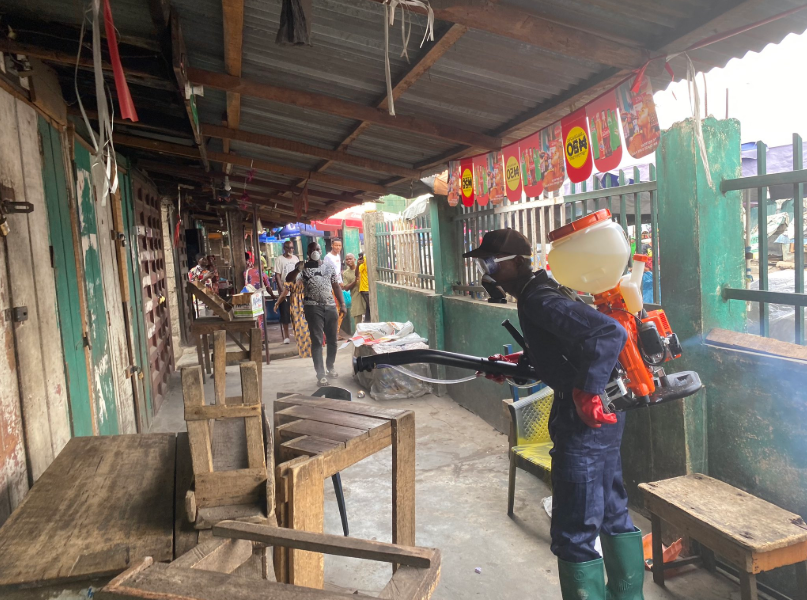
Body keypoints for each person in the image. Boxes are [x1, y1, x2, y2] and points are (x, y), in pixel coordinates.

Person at [463, 229, 643, 600]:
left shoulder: (539, 300)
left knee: (573, 531)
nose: (488, 271)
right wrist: (517, 364)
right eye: (484, 263)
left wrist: (587, 391)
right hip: (601, 411)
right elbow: (564, 348)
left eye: (492, 262)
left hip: (586, 416)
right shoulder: (538, 291)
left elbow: (608, 334)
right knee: (611, 510)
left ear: (516, 262)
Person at [288, 242, 346, 385]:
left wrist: (343, 304)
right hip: (312, 308)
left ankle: (330, 367)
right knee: (317, 341)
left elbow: (336, 285)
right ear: (308, 253)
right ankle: (320, 375)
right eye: (312, 249)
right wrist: (297, 269)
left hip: (330, 306)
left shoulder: (329, 266)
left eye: (317, 249)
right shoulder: (303, 269)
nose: (315, 251)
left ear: (321, 251)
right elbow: (289, 280)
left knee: (332, 340)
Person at [274, 264, 311, 359]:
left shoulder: (290, 280)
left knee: (299, 327)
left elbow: (284, 294)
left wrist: (277, 303)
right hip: (307, 302)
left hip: (296, 304)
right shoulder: (307, 278)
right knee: (308, 326)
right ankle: (311, 350)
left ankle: (303, 351)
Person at [274, 241, 299, 345]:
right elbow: (277, 275)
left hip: (295, 291)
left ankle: (297, 334)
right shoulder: (279, 259)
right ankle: (286, 336)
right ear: (284, 248)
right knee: (285, 314)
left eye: (292, 248)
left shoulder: (295, 259)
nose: (290, 250)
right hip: (285, 290)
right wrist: (281, 289)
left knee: (296, 314)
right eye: (288, 248)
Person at [324, 239, 345, 333]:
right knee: (334, 309)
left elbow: (338, 271)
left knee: (340, 309)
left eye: (339, 245)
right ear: (332, 245)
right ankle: (332, 333)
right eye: (336, 245)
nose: (338, 247)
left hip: (337, 285)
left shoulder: (338, 255)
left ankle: (336, 331)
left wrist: (340, 281)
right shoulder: (328, 257)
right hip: (330, 286)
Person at [342, 253, 365, 332]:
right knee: (358, 322)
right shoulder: (345, 273)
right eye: (347, 259)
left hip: (365, 295)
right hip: (356, 297)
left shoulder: (362, 268)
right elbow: (346, 287)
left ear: (354, 259)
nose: (348, 261)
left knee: (368, 319)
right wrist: (355, 281)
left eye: (350, 259)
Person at [355, 252, 370, 323]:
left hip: (367, 288)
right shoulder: (365, 260)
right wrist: (358, 264)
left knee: (368, 308)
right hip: (365, 289)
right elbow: (356, 274)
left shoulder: (367, 259)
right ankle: (367, 323)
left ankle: (367, 323)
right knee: (370, 308)